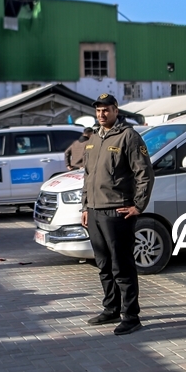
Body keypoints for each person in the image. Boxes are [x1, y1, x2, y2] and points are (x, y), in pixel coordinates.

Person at [81, 94, 155, 336]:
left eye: (106, 110)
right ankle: (111, 308)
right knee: (103, 265)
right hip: (95, 211)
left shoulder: (128, 136)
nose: (102, 114)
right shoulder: (93, 138)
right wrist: (85, 207)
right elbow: (87, 176)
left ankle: (131, 316)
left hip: (117, 211)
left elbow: (145, 173)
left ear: (116, 110)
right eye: (98, 110)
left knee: (122, 266)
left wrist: (138, 206)